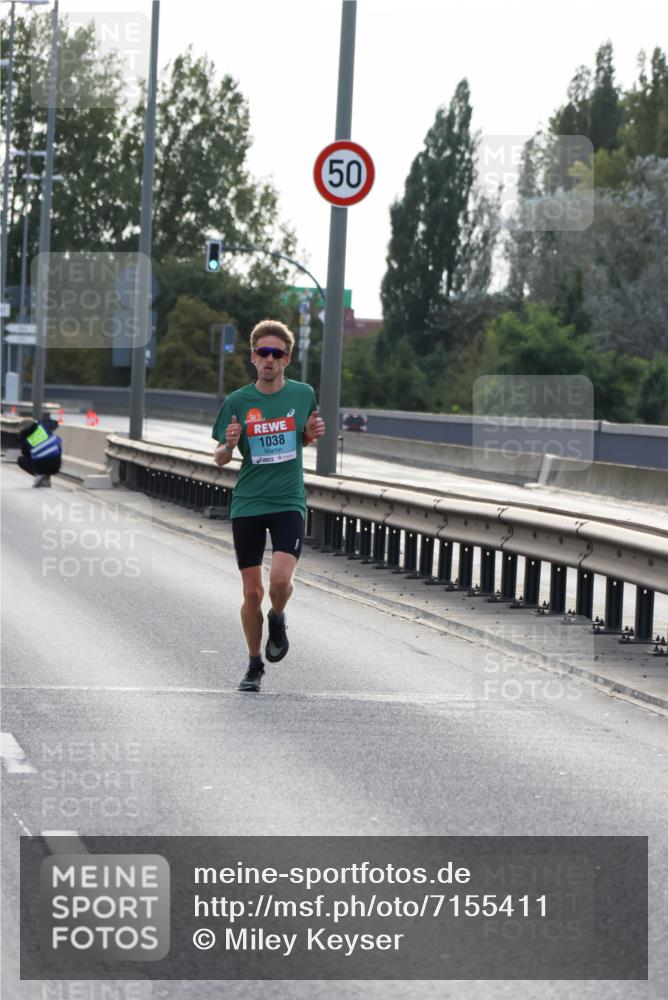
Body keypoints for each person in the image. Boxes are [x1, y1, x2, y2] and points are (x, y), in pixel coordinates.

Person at [212, 319, 325, 693]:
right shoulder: (237, 402)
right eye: (263, 353)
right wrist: (229, 445)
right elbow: (219, 459)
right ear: (252, 357)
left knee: (278, 582)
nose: (269, 360)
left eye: (277, 354)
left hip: (288, 500)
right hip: (248, 503)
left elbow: (302, 438)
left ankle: (278, 618)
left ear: (287, 359)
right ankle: (253, 665)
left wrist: (311, 434)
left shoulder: (304, 394)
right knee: (252, 593)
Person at [17, 416, 62, 487]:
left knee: (21, 460)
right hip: (56, 465)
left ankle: (39, 474)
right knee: (56, 443)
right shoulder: (43, 426)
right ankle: (46, 477)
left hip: (40, 467)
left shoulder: (24, 439)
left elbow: (28, 457)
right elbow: (55, 423)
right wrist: (41, 420)